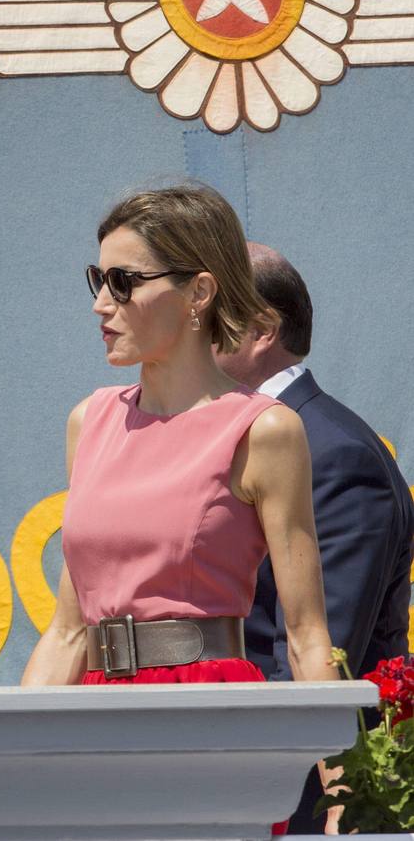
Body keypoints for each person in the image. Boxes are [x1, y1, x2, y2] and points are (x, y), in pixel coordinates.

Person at [21, 184, 339, 826]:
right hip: (93, 713)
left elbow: (305, 634)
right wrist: (12, 761)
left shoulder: (264, 430)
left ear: (198, 292)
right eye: (96, 278)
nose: (100, 304)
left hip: (209, 713)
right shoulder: (90, 421)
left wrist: (339, 790)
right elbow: (68, 627)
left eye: (123, 281)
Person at [215, 242, 413, 833]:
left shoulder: (332, 453)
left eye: (206, 312)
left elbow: (322, 653)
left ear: (259, 329)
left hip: (296, 795)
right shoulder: (249, 438)